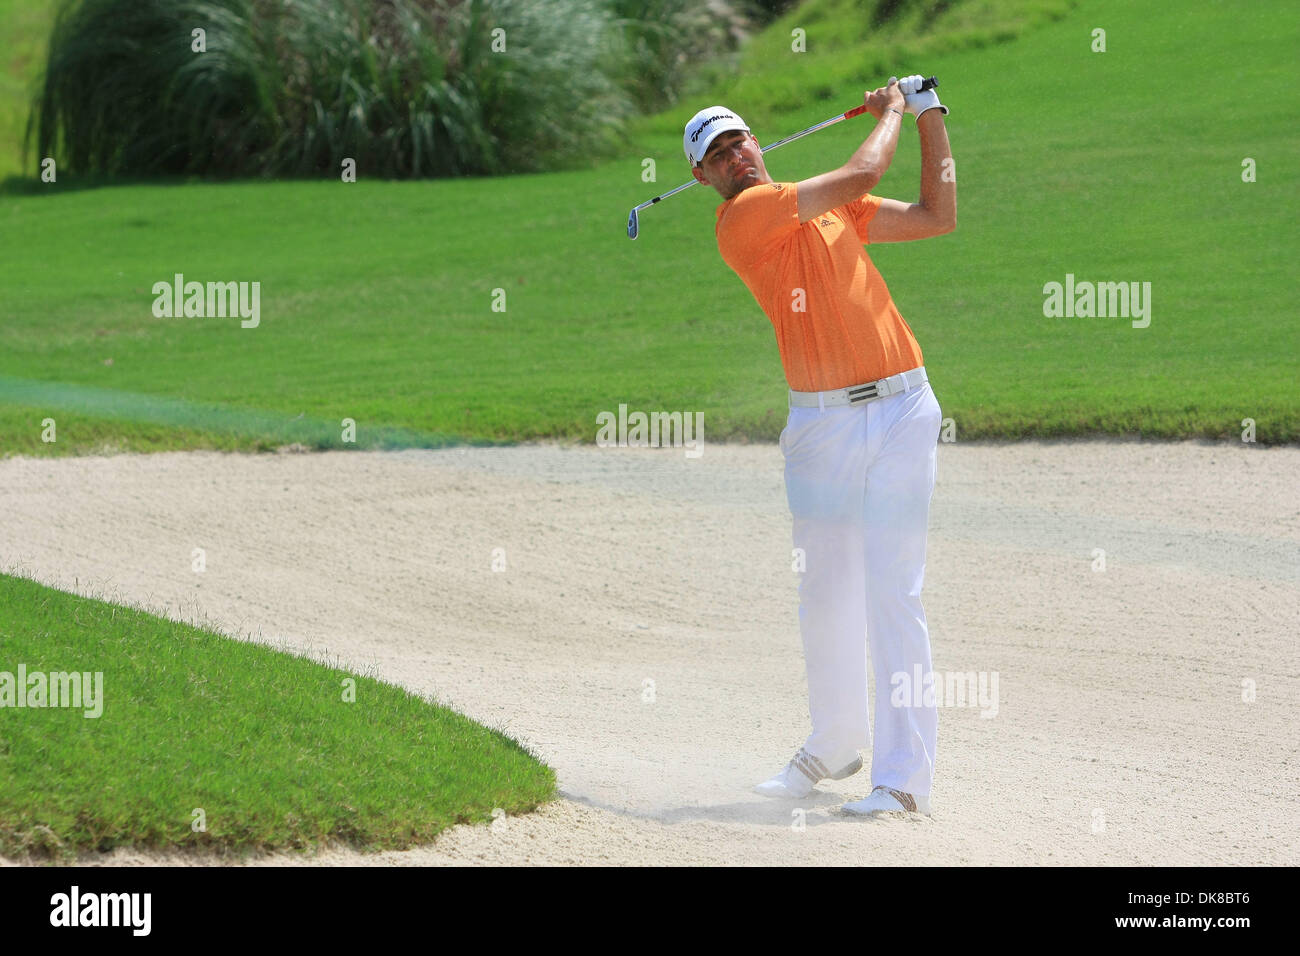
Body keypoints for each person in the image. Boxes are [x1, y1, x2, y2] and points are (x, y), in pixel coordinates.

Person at [684, 75, 955, 817]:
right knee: (825, 592)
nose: (734, 155)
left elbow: (938, 215)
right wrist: (894, 107)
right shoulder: (742, 219)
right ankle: (835, 740)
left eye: (739, 139)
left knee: (893, 591)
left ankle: (902, 781)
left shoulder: (836, 211)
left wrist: (932, 116)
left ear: (757, 142)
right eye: (716, 153)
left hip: (901, 408)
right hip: (821, 426)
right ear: (701, 177)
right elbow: (865, 171)